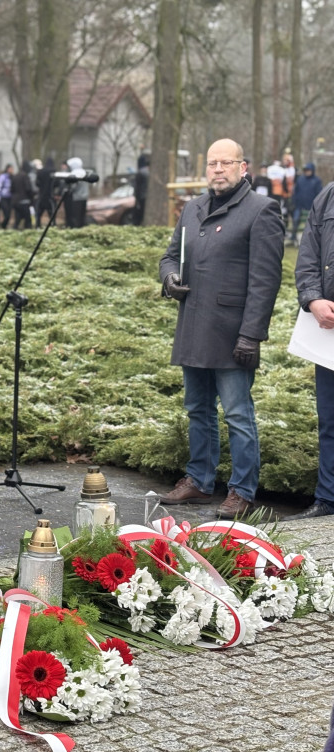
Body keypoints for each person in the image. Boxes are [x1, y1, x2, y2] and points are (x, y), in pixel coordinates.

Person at [157, 138, 284, 519]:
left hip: (232, 333)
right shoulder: (192, 209)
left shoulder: (262, 211)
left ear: (243, 167)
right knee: (197, 409)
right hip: (193, 325)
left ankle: (242, 490)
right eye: (212, 163)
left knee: (237, 414)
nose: (217, 170)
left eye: (226, 163)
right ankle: (198, 481)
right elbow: (169, 256)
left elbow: (266, 280)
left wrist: (251, 334)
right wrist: (170, 277)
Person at [287, 177, 334, 519]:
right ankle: (327, 498)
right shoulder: (328, 195)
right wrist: (313, 298)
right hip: (328, 329)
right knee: (329, 419)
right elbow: (307, 256)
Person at [290, 162, 322, 246]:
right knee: (296, 220)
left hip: (312, 207)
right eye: (305, 170)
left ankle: (312, 241)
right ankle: (293, 238)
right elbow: (295, 191)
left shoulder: (317, 180)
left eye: (308, 170)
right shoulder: (300, 179)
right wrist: (294, 202)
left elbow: (319, 194)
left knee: (312, 224)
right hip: (299, 206)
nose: (307, 171)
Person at [64, 156, 89, 228]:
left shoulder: (75, 173)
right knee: (82, 216)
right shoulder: (83, 172)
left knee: (75, 216)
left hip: (76, 197)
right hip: (84, 197)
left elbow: (73, 186)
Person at [11, 161, 34, 230]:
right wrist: (31, 198)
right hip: (24, 201)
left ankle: (14, 232)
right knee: (28, 220)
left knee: (17, 219)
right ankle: (27, 233)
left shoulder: (15, 176)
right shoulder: (25, 176)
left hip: (15, 201)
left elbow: (11, 189)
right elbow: (28, 189)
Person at [35, 156, 55, 226]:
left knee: (38, 214)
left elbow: (37, 183)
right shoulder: (54, 171)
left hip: (41, 196)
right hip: (50, 196)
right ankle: (53, 227)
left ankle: (37, 227)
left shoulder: (40, 172)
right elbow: (57, 184)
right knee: (52, 215)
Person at [133, 152, 149, 226]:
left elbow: (137, 187)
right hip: (147, 197)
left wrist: (136, 198)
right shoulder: (149, 171)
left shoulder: (141, 172)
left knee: (138, 216)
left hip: (142, 197)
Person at [0, 164, 13, 229]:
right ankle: (3, 225)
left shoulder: (12, 177)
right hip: (3, 197)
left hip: (9, 198)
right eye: (10, 169)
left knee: (8, 213)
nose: (12, 170)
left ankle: (3, 226)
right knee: (6, 213)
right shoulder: (3, 177)